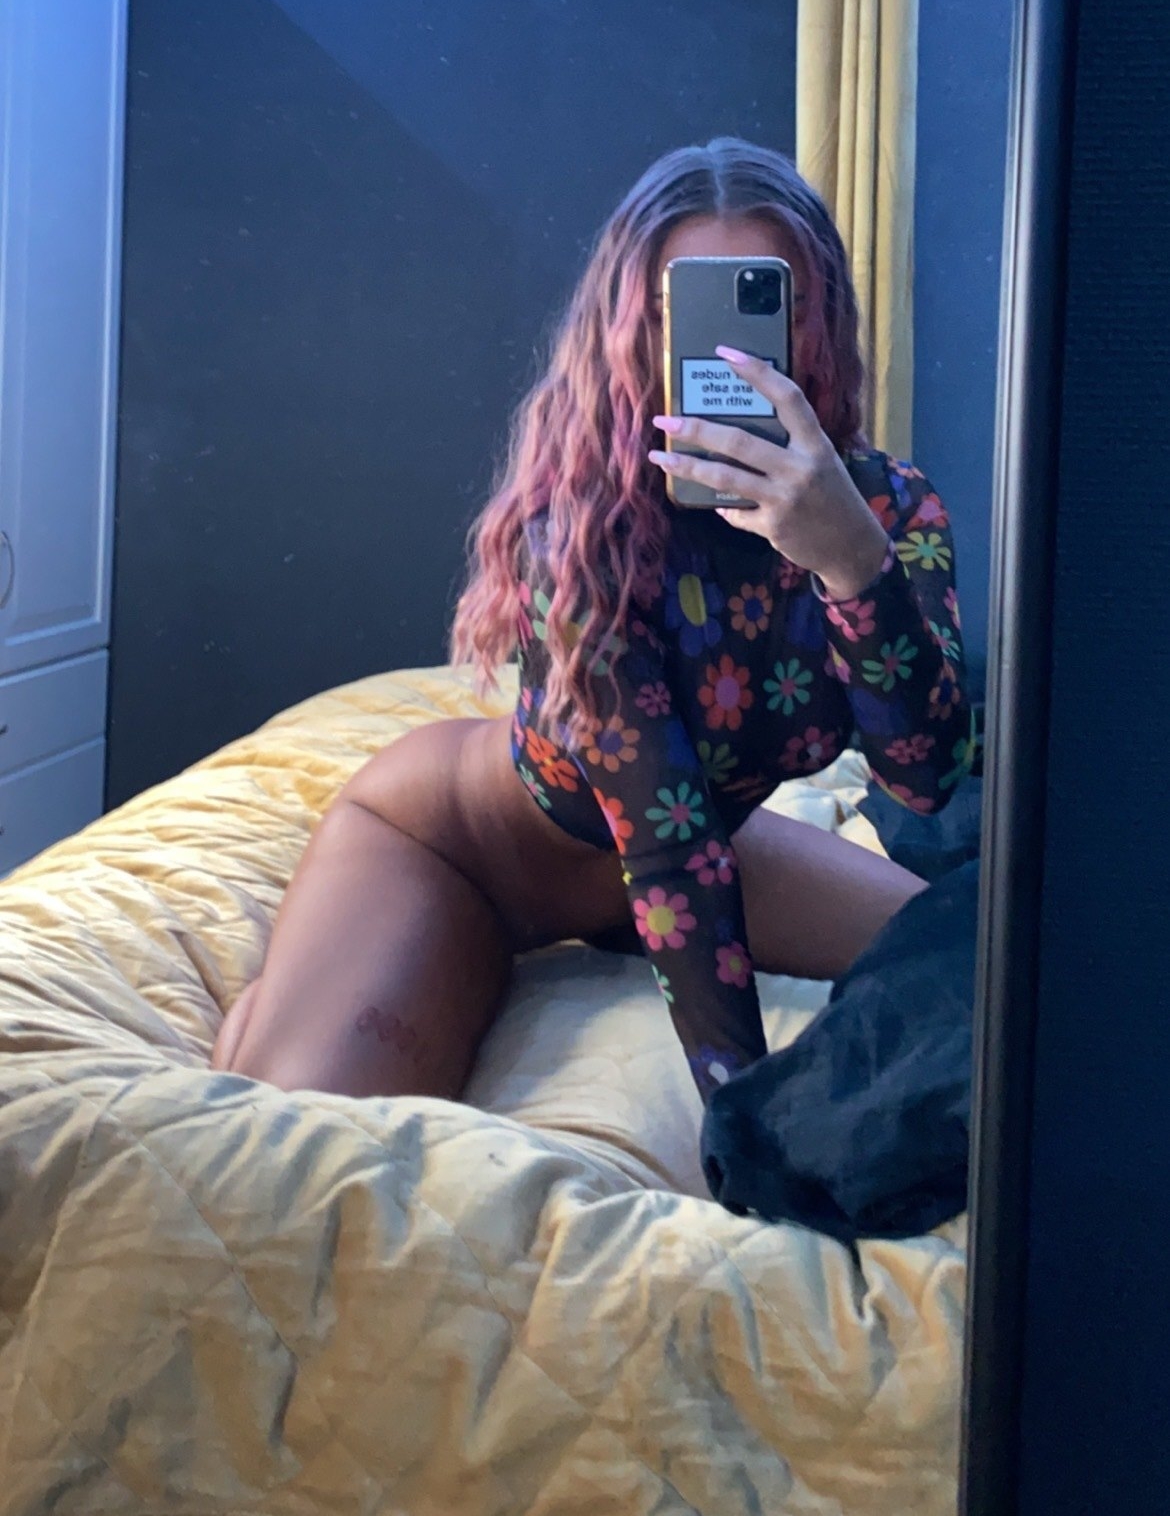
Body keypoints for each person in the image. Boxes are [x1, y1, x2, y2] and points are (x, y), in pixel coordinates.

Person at [212, 138, 972, 1108]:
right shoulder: (584, 531)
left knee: (968, 961)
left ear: (818, 317)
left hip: (699, 847)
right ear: (626, 328)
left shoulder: (891, 510)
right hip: (468, 853)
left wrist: (852, 564)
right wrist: (742, 1120)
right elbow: (668, 850)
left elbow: (925, 775)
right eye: (678, 314)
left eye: (763, 307)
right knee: (308, 1111)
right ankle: (281, 997)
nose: (727, 360)